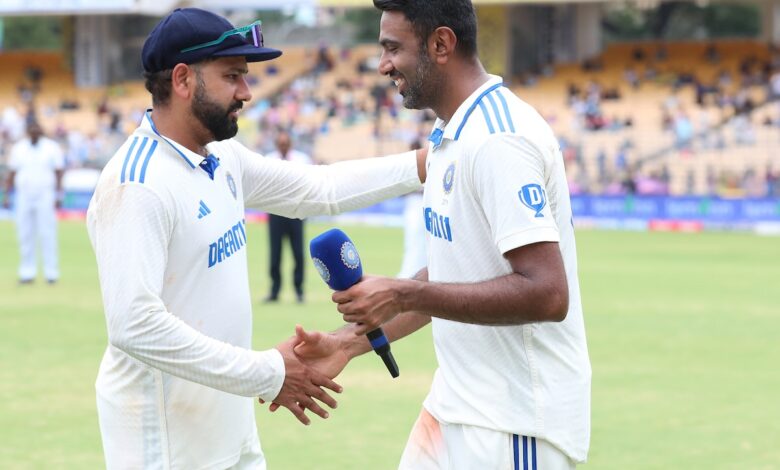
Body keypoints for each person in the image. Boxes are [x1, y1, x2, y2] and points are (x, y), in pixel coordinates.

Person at [85, 8, 426, 470]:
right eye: (233, 76)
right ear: (183, 79)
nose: (247, 92)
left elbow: (315, 189)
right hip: (168, 448)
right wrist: (268, 372)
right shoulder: (136, 184)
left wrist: (426, 165)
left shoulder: (219, 155)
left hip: (231, 432)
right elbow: (134, 325)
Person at [292, 1, 590, 468]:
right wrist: (350, 342)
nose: (383, 64)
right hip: (454, 407)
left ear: (441, 44)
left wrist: (403, 293)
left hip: (512, 425)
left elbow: (547, 294)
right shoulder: (450, 130)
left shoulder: (499, 138)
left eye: (393, 48)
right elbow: (459, 270)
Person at [3, 121, 64, 284]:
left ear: (41, 131)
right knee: (25, 233)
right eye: (32, 130)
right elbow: (12, 172)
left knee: (47, 233)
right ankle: (27, 272)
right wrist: (7, 195)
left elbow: (59, 172)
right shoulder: (19, 148)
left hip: (45, 193)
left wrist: (59, 194)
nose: (35, 132)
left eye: (37, 129)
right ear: (27, 132)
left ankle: (51, 273)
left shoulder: (51, 147)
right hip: (24, 194)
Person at [262, 130, 312, 303]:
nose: (283, 147)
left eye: (286, 144)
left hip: (297, 213)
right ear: (277, 145)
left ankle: (299, 291)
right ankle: (275, 291)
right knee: (275, 253)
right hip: (275, 213)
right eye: (281, 144)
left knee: (298, 253)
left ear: (290, 144)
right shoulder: (268, 160)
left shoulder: (302, 160)